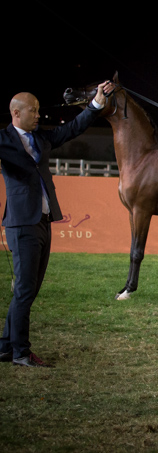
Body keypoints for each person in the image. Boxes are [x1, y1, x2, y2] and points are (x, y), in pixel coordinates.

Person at [0, 81, 113, 367]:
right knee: (25, 291)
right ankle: (21, 353)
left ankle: (6, 347)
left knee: (29, 290)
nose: (38, 115)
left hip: (43, 221)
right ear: (16, 113)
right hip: (21, 224)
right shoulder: (3, 140)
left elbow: (72, 129)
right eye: (33, 110)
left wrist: (95, 104)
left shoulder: (41, 138)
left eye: (39, 110)